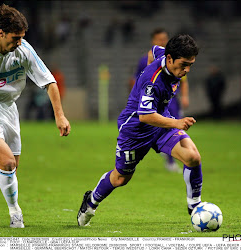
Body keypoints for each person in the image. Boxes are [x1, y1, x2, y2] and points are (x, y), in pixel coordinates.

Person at [77, 34, 201, 227]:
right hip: (135, 131)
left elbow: (153, 50)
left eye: (190, 65)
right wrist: (177, 123)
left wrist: (171, 121)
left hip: (161, 123)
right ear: (170, 59)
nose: (186, 70)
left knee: (192, 156)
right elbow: (145, 116)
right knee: (120, 179)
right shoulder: (153, 83)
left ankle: (196, 209)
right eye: (184, 64)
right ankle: (91, 201)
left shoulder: (163, 55)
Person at [0, 4, 71, 228]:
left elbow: (49, 82)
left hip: (9, 110)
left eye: (22, 37)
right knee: (6, 161)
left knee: (9, 169)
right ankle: (16, 214)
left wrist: (60, 116)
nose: (19, 43)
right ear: (1, 33)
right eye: (15, 38)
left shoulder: (23, 50)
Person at [132, 28, 190, 173]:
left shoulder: (176, 60)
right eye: (159, 39)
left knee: (174, 127)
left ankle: (173, 161)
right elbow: (138, 80)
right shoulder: (144, 61)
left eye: (164, 39)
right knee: (151, 126)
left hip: (171, 101)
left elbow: (183, 80)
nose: (162, 42)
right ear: (153, 41)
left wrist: (185, 96)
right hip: (153, 101)